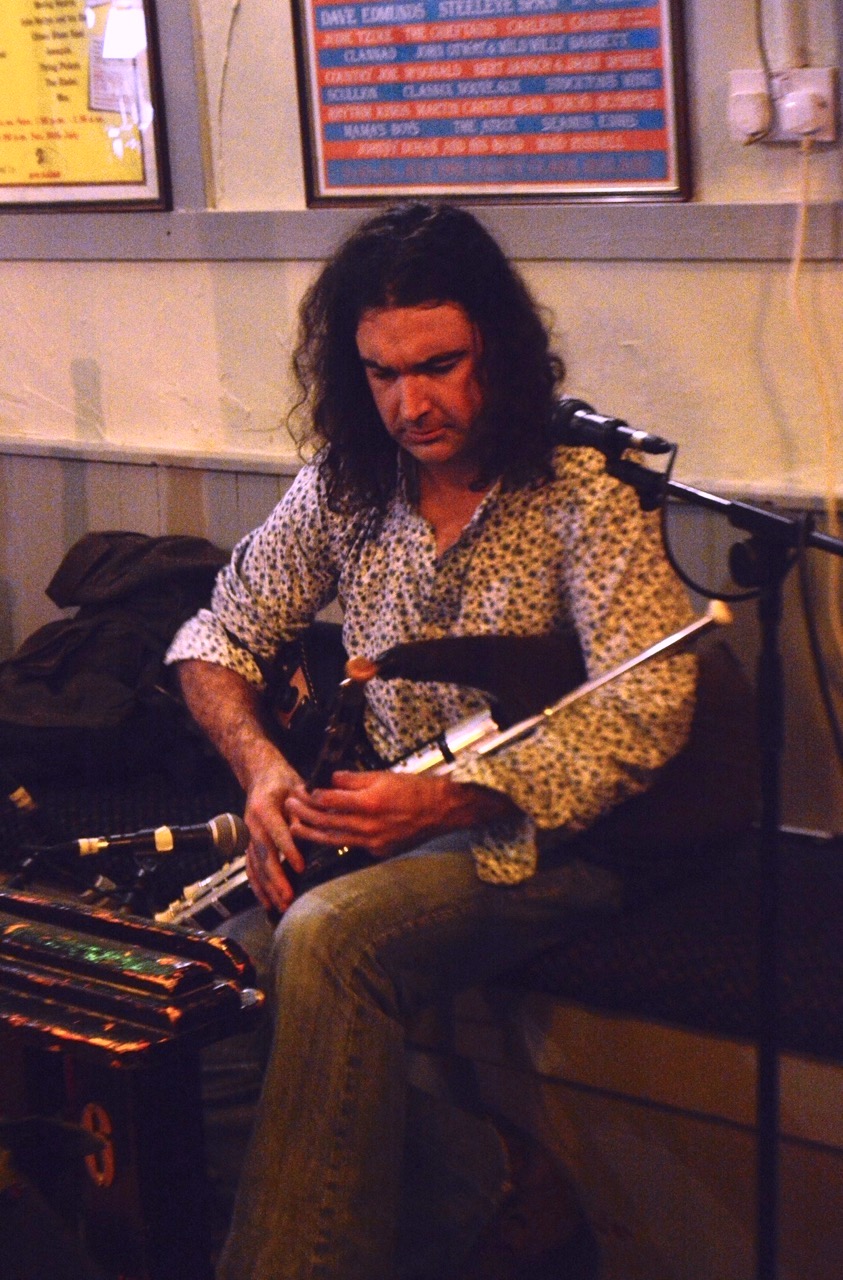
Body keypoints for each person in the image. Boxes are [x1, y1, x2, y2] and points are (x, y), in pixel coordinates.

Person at [166, 201, 697, 1280]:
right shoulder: (348, 483)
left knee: (327, 938)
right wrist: (262, 771)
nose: (411, 403)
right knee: (188, 992)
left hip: (550, 838)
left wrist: (454, 800)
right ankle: (488, 1174)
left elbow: (649, 702)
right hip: (383, 830)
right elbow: (216, 635)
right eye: (382, 373)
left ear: (497, 349)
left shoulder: (584, 488)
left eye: (439, 366)